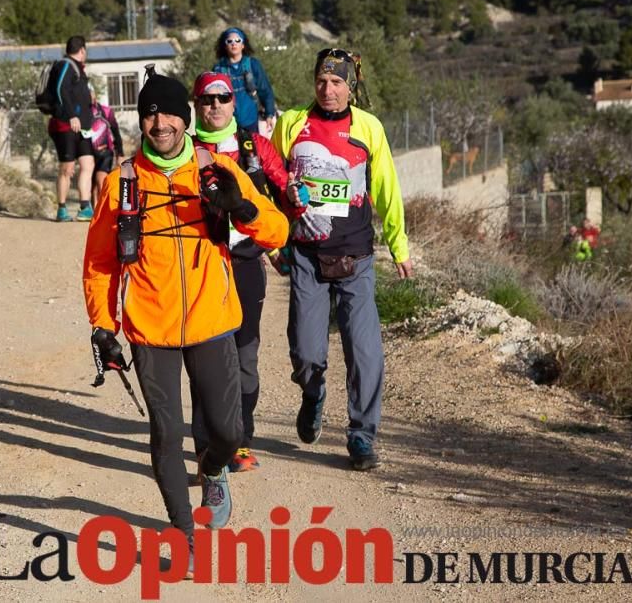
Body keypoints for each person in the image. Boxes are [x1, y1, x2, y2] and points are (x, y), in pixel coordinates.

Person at [83, 74, 287, 548]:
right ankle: (183, 532)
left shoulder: (217, 170)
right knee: (166, 431)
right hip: (150, 329)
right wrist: (103, 325)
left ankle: (213, 466)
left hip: (212, 320)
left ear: (186, 117)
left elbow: (277, 232)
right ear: (141, 120)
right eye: (151, 113)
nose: (161, 123)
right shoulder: (121, 184)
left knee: (227, 429)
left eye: (170, 112)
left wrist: (244, 210)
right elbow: (99, 263)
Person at [271, 48, 413, 471]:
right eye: (321, 81)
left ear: (350, 87)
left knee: (365, 351)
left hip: (356, 256)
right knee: (306, 352)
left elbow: (386, 186)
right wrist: (275, 237)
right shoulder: (291, 123)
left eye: (336, 83)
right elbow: (273, 180)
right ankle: (312, 395)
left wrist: (398, 243)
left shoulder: (369, 127)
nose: (327, 89)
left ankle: (362, 436)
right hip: (306, 255)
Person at [189, 72, 289, 473]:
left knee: (245, 354)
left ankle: (241, 441)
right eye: (206, 100)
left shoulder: (254, 147)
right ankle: (205, 445)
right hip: (201, 263)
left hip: (246, 261)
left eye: (222, 98)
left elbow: (282, 193)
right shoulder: (184, 150)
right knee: (203, 357)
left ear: (234, 103)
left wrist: (281, 243)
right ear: (196, 106)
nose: (214, 106)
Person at [47, 36, 95, 221]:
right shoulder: (65, 64)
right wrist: (71, 115)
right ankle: (62, 209)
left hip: (82, 128)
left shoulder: (78, 69)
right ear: (82, 50)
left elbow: (74, 91)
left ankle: (85, 207)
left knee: (87, 164)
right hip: (65, 125)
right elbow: (60, 89)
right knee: (67, 168)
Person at [212, 27, 277, 135]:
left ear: (243, 45)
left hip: (251, 120)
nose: (234, 44)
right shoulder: (218, 69)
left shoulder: (253, 64)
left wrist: (270, 114)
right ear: (225, 45)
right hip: (228, 123)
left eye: (238, 40)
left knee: (253, 150)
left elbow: (265, 90)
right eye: (229, 41)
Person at [87, 87, 125, 206]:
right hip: (88, 153)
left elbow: (116, 132)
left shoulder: (106, 111)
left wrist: (120, 153)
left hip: (105, 151)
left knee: (101, 181)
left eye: (90, 93)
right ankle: (94, 212)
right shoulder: (81, 112)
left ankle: (102, 210)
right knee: (92, 186)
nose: (88, 96)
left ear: (94, 94)